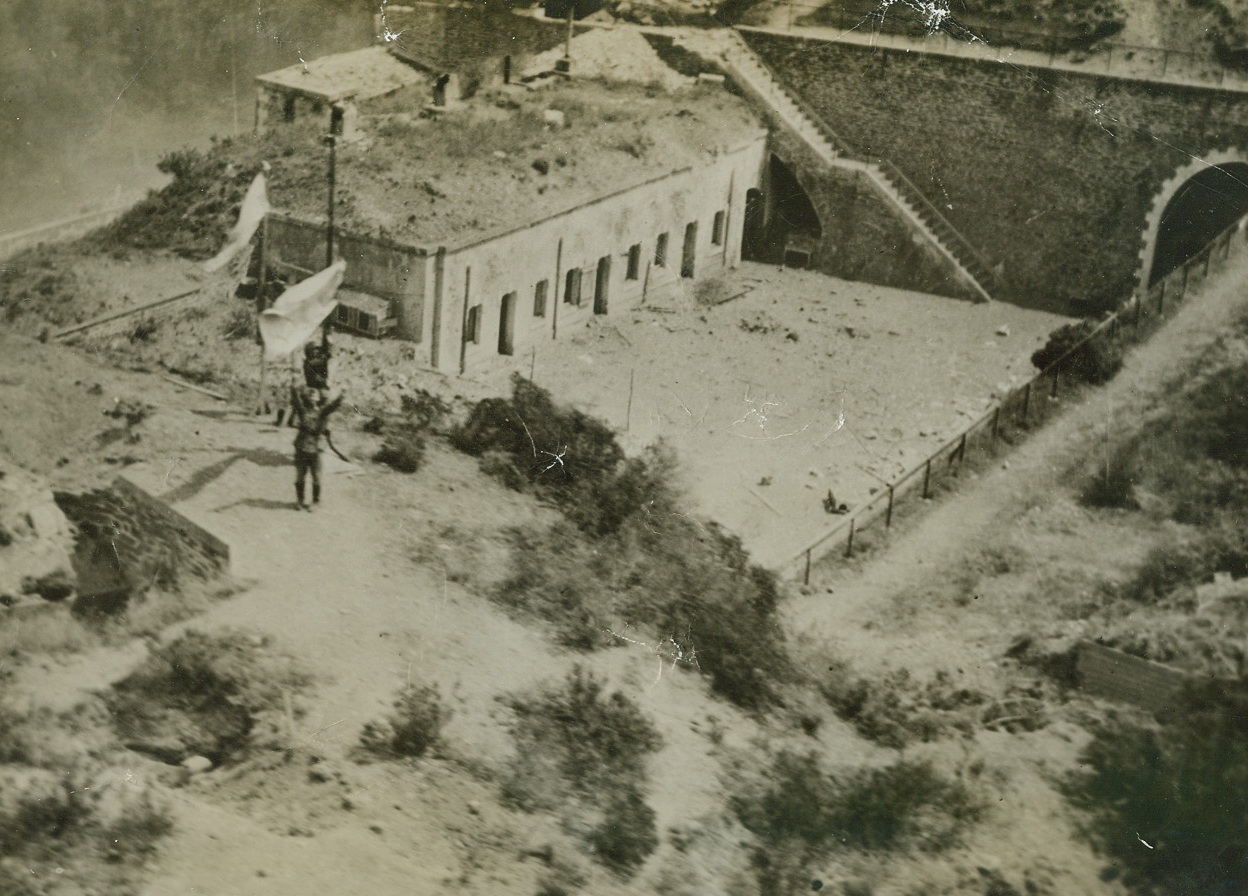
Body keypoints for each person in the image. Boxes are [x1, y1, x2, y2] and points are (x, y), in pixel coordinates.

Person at [290, 385, 343, 511]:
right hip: (301, 447)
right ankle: (300, 500)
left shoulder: (322, 412)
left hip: (316, 448)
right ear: (306, 398)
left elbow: (333, 406)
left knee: (316, 476)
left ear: (318, 399)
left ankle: (316, 502)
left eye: (315, 396)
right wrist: (293, 387)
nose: (312, 397)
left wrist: (341, 396)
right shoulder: (303, 411)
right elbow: (296, 400)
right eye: (310, 395)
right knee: (300, 475)